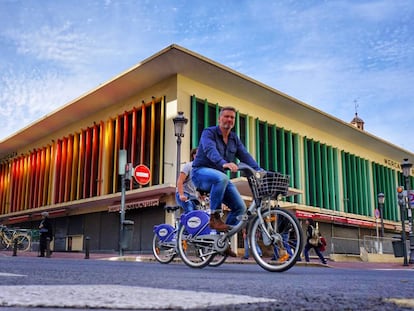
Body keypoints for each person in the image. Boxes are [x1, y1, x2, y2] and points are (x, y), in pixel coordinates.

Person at [191, 106, 261, 256]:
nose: (229, 119)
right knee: (222, 177)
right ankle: (214, 217)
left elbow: (245, 156)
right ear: (219, 119)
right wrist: (223, 162)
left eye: (232, 117)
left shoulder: (234, 139)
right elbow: (210, 150)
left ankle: (222, 241)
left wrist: (259, 170)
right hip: (200, 173)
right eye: (226, 116)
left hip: (219, 178)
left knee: (240, 208)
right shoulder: (208, 133)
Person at [175, 148, 199, 213]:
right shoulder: (189, 166)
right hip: (184, 193)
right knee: (190, 211)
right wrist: (181, 195)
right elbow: (180, 181)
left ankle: (181, 223)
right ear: (194, 156)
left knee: (198, 216)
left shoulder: (201, 169)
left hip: (193, 196)